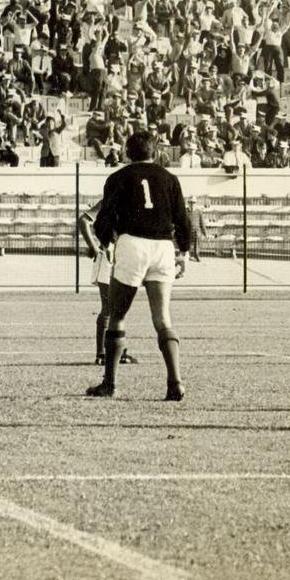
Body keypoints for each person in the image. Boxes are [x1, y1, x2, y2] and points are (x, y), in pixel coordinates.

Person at [86, 131, 191, 401]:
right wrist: (185, 252)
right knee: (163, 318)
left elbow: (103, 220)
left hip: (133, 243)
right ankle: (175, 382)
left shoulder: (118, 177)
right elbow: (182, 218)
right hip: (164, 247)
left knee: (117, 314)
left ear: (126, 153)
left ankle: (109, 384)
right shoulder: (170, 178)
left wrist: (108, 241)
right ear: (155, 153)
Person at [77, 200, 138, 367]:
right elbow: (83, 220)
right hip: (108, 258)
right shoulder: (110, 199)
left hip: (124, 257)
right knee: (109, 307)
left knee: (119, 308)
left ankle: (118, 351)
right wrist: (94, 247)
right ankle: (102, 354)